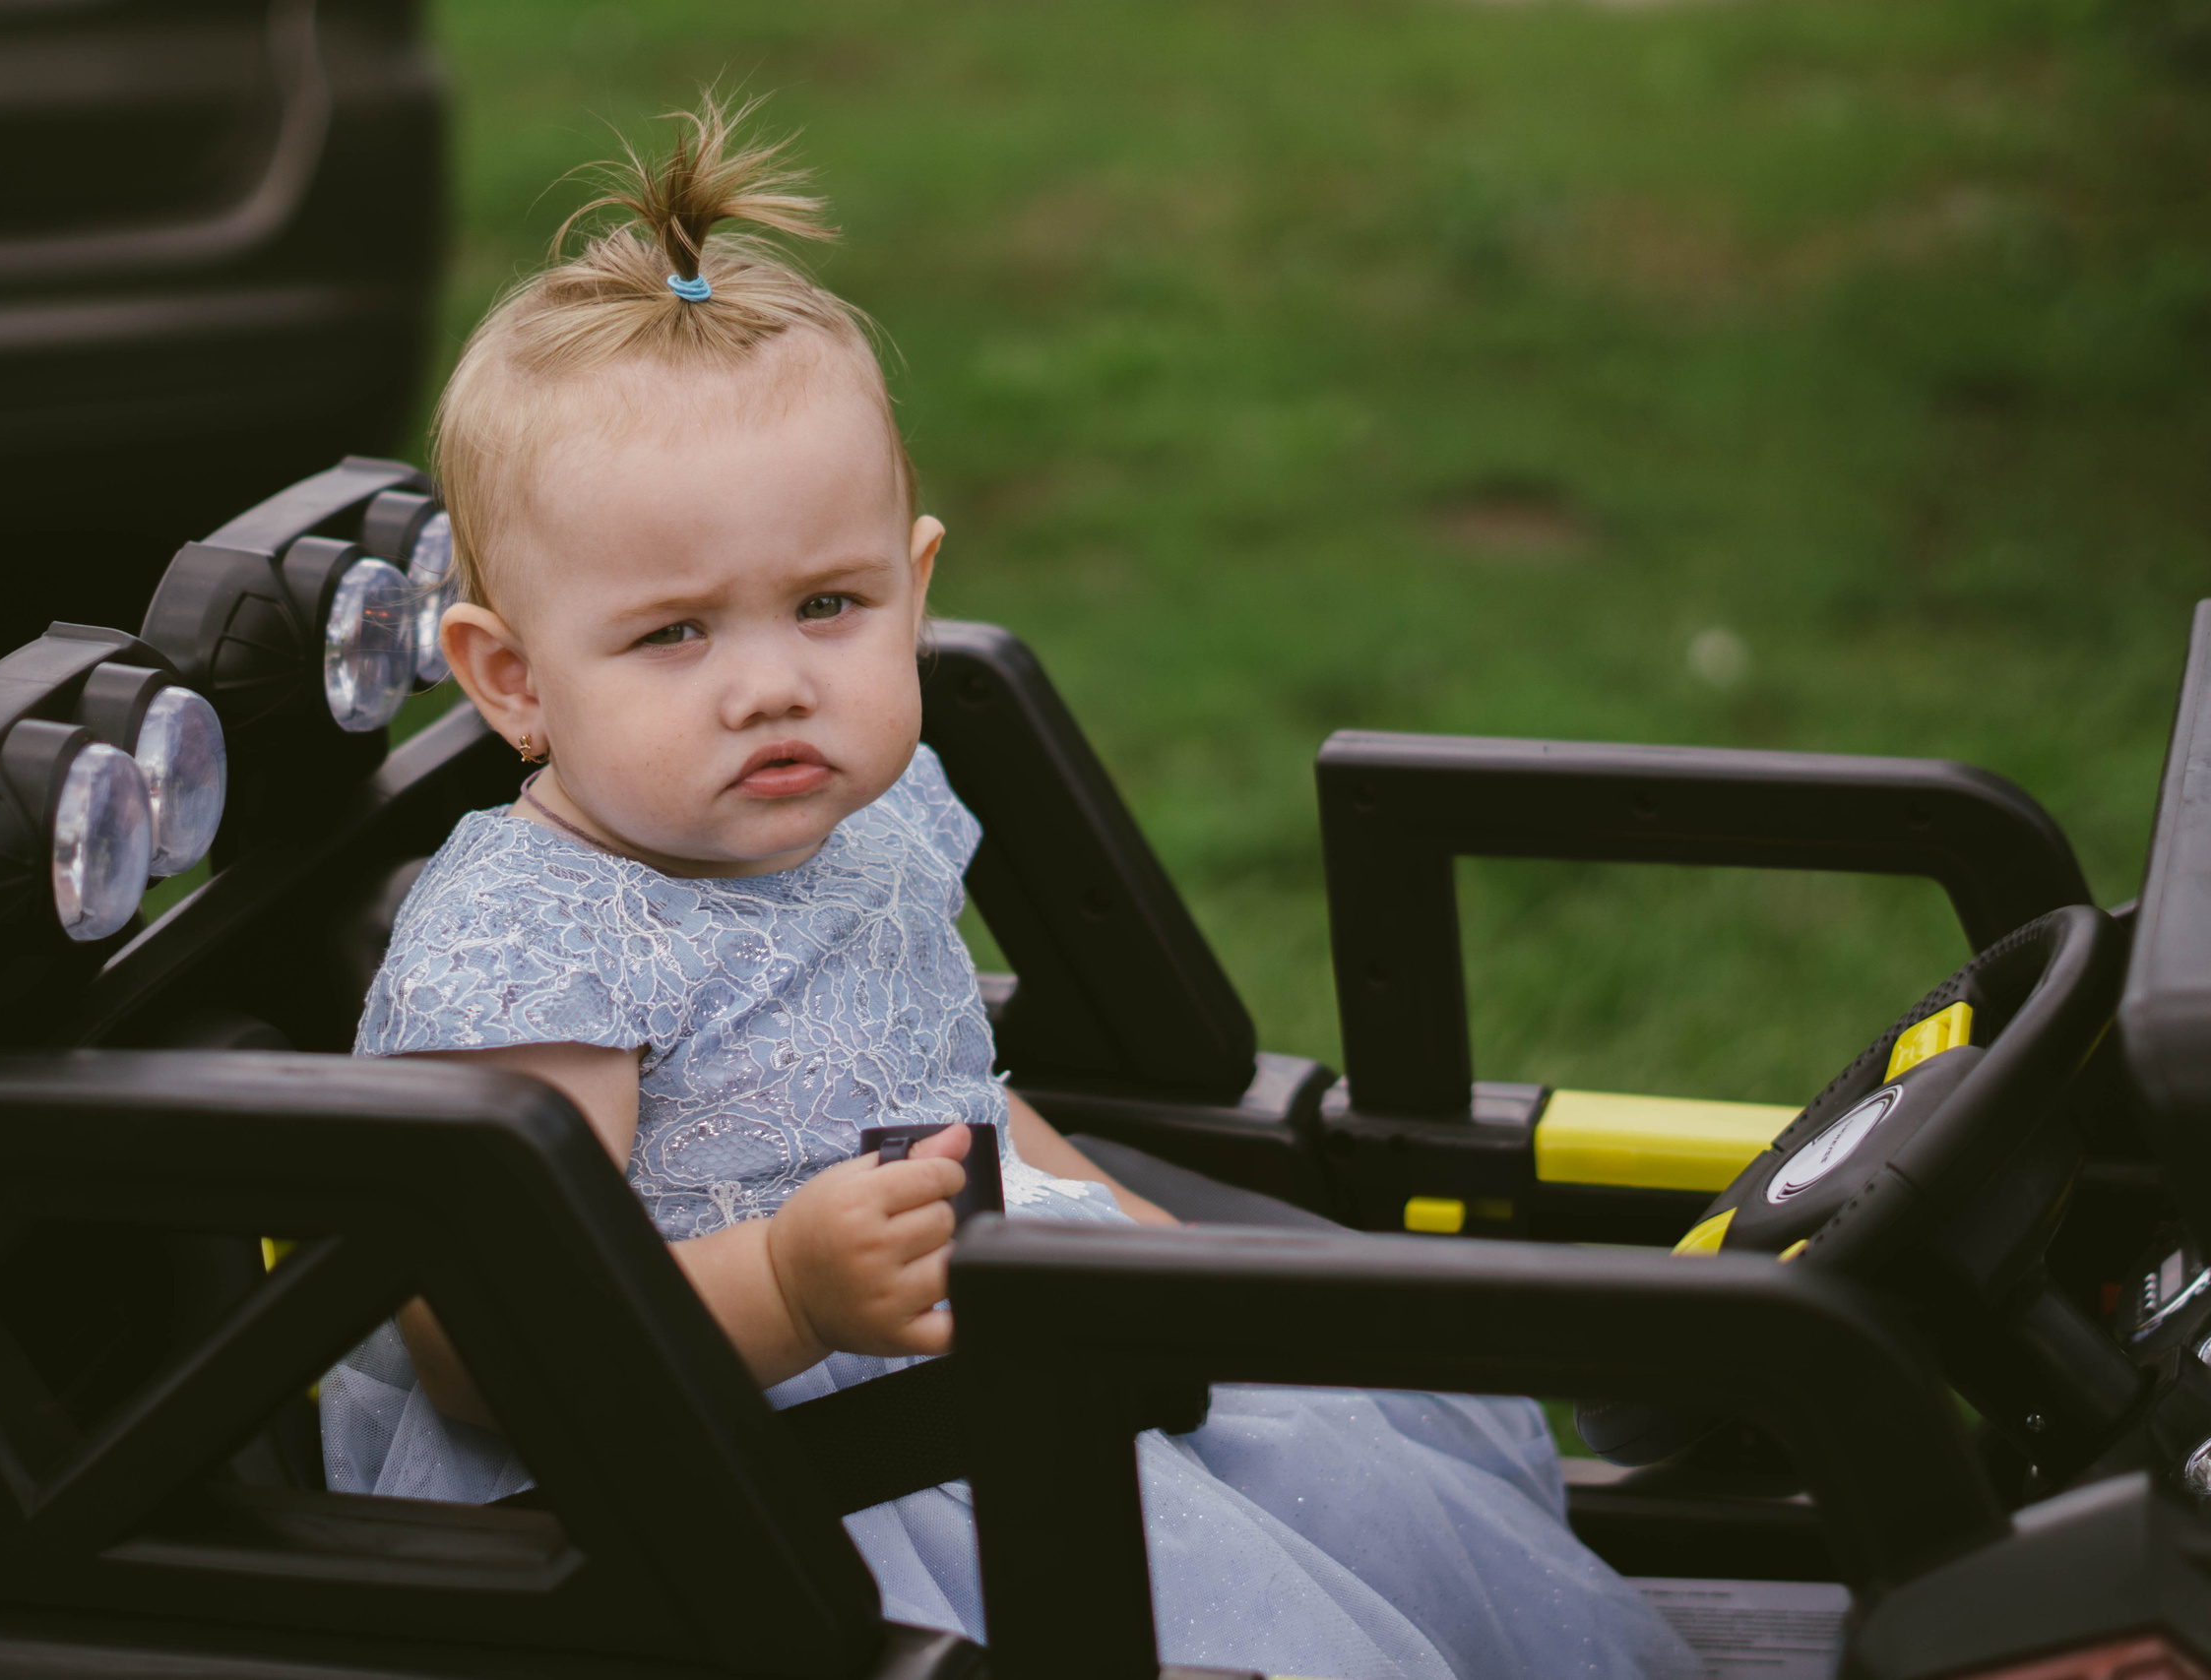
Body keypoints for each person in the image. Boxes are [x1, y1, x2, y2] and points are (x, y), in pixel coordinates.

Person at [320, 96, 1698, 1680]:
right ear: (510, 679)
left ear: (913, 590)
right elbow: (490, 1342)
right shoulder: (534, 952)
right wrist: (787, 1286)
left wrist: (1124, 1233)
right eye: (675, 633)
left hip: (988, 1351)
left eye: (827, 605)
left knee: (1340, 1472)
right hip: (756, 1491)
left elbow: (944, 1088)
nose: (772, 684)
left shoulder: (855, 821)